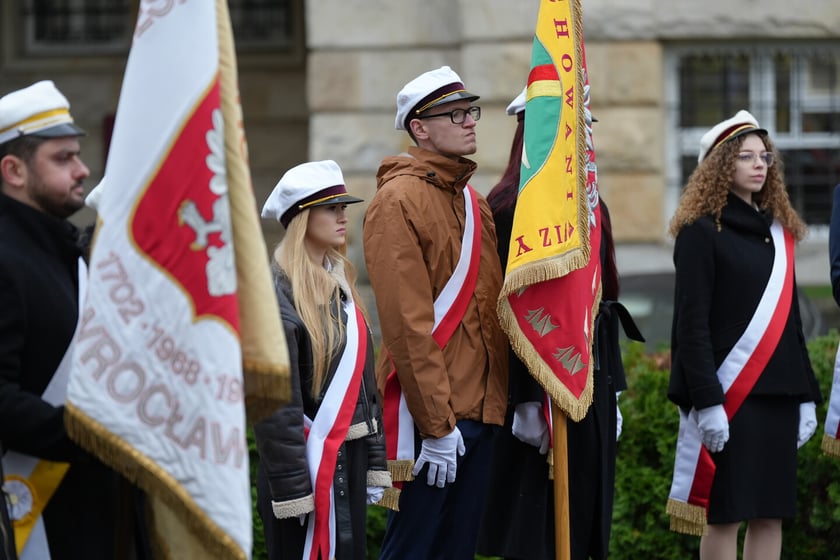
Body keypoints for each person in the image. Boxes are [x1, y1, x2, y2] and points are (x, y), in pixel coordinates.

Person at [475, 88, 643, 560]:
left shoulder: (592, 207)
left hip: (589, 381)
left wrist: (614, 387)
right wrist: (528, 402)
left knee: (586, 521)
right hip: (535, 392)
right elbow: (505, 309)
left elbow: (604, 301)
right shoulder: (509, 206)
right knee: (536, 532)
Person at [0, 80, 151, 559]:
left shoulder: (67, 253)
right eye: (63, 158)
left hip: (99, 510)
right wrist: (96, 438)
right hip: (36, 517)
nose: (83, 170)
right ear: (13, 170)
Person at [362, 66, 508, 559]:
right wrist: (438, 426)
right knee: (413, 549)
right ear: (419, 128)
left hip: (481, 408)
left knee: (456, 550)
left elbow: (488, 312)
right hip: (432, 419)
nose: (470, 122)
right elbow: (407, 326)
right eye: (455, 114)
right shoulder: (396, 200)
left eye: (472, 111)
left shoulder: (474, 201)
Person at [666, 110, 821, 559]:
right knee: (725, 515)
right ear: (721, 165)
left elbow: (790, 322)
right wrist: (708, 401)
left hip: (778, 394)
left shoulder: (779, 232)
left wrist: (806, 394)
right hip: (731, 397)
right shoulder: (700, 233)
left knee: (770, 514)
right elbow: (690, 326)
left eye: (765, 156)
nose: (760, 164)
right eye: (747, 156)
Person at [255, 159, 391, 560]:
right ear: (301, 218)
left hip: (345, 462)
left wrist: (376, 459)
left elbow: (366, 387)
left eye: (343, 207)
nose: (342, 216)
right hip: (305, 467)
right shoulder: (277, 296)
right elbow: (276, 407)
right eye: (330, 208)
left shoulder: (341, 284)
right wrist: (296, 490)